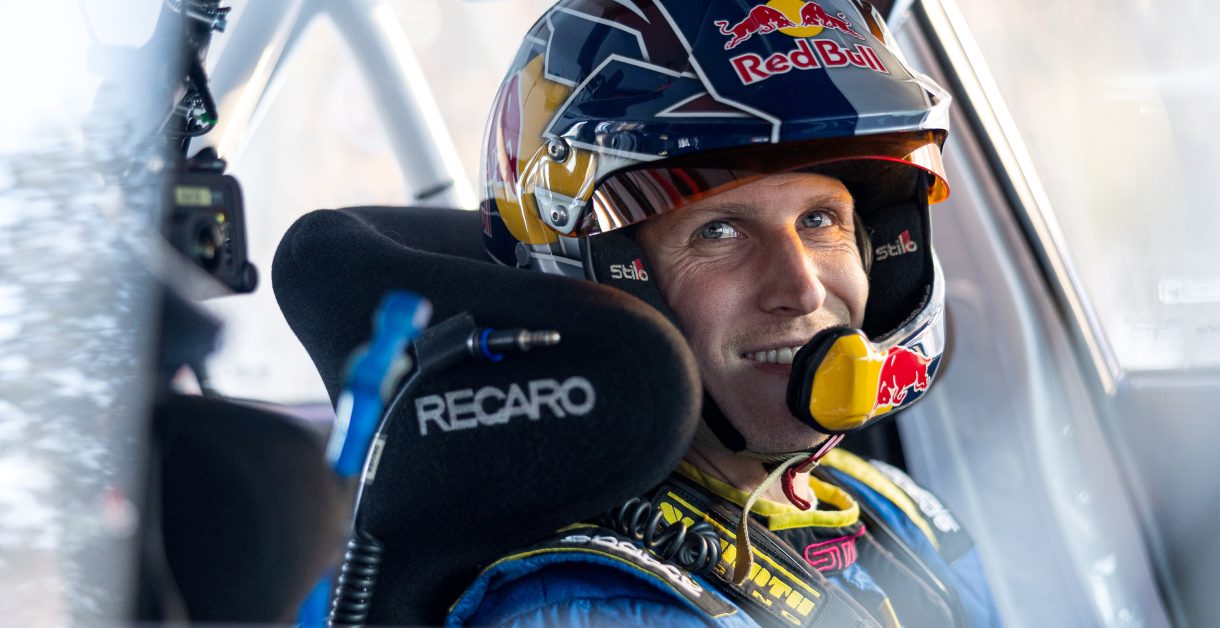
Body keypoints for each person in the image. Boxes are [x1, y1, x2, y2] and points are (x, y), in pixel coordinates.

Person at [448, 0, 1000, 625]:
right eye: (718, 232)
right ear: (608, 282)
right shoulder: (595, 605)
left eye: (820, 220)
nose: (803, 290)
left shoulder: (899, 512)